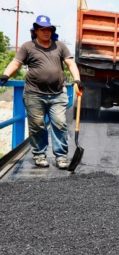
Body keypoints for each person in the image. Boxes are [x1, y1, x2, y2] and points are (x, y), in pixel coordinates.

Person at [0, 15, 82, 169]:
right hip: (34, 94)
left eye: (49, 29)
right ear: (36, 31)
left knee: (59, 124)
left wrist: (77, 80)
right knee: (37, 125)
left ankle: (61, 156)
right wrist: (5, 75)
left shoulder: (60, 46)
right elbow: (16, 62)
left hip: (57, 93)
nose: (46, 32)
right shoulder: (27, 47)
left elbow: (70, 63)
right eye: (42, 29)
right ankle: (39, 155)